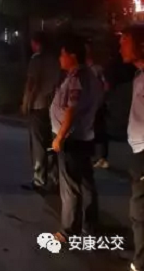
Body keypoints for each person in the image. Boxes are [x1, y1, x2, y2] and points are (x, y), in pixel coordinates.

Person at [50, 35, 101, 242]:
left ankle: (69, 229)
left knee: (70, 185)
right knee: (86, 182)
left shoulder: (77, 78)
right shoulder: (89, 75)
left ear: (72, 55)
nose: (60, 58)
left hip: (72, 138)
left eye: (62, 54)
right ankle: (90, 224)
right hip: (85, 136)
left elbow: (72, 109)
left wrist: (60, 137)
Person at [22, 31, 60, 192]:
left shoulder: (36, 60)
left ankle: (39, 179)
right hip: (53, 106)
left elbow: (32, 82)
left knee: (38, 144)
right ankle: (54, 178)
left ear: (36, 43)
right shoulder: (56, 60)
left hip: (38, 105)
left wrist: (26, 102)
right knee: (51, 142)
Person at [119, 24, 144, 271]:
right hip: (138, 151)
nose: (121, 47)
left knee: (140, 211)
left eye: (125, 41)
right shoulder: (139, 76)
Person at [85, 39, 111, 169]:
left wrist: (102, 97)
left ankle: (102, 157)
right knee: (91, 130)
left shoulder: (96, 69)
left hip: (97, 104)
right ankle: (94, 156)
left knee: (100, 130)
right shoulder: (84, 69)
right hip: (88, 105)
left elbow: (106, 85)